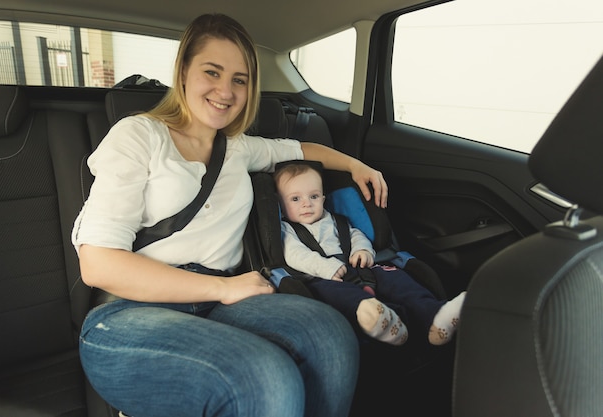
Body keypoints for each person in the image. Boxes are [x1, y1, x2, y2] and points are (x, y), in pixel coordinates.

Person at [72, 13, 390, 417]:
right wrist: (223, 289)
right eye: (212, 72)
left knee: (331, 337)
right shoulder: (139, 136)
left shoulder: (239, 147)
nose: (226, 90)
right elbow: (98, 264)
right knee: (265, 376)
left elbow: (301, 150)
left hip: (220, 302)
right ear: (184, 71)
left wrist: (357, 165)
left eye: (239, 79)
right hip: (131, 311)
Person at [274, 161, 466, 347]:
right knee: (340, 296)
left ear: (323, 198)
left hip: (361, 267)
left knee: (396, 279)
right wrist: (325, 267)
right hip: (322, 277)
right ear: (281, 205)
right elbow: (294, 254)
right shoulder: (287, 229)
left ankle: (434, 316)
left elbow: (355, 235)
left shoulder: (335, 220)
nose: (307, 204)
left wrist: (363, 250)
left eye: (314, 196)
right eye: (295, 199)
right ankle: (381, 320)